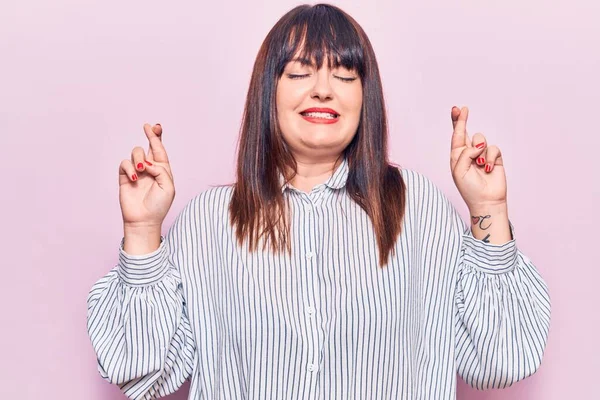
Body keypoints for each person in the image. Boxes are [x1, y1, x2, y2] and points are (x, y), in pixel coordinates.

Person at [86, 3, 551, 399]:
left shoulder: (416, 206)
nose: (323, 88)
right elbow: (141, 371)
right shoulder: (211, 221)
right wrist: (144, 231)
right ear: (268, 93)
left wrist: (488, 210)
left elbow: (501, 360)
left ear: (364, 97)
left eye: (344, 74)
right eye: (300, 72)